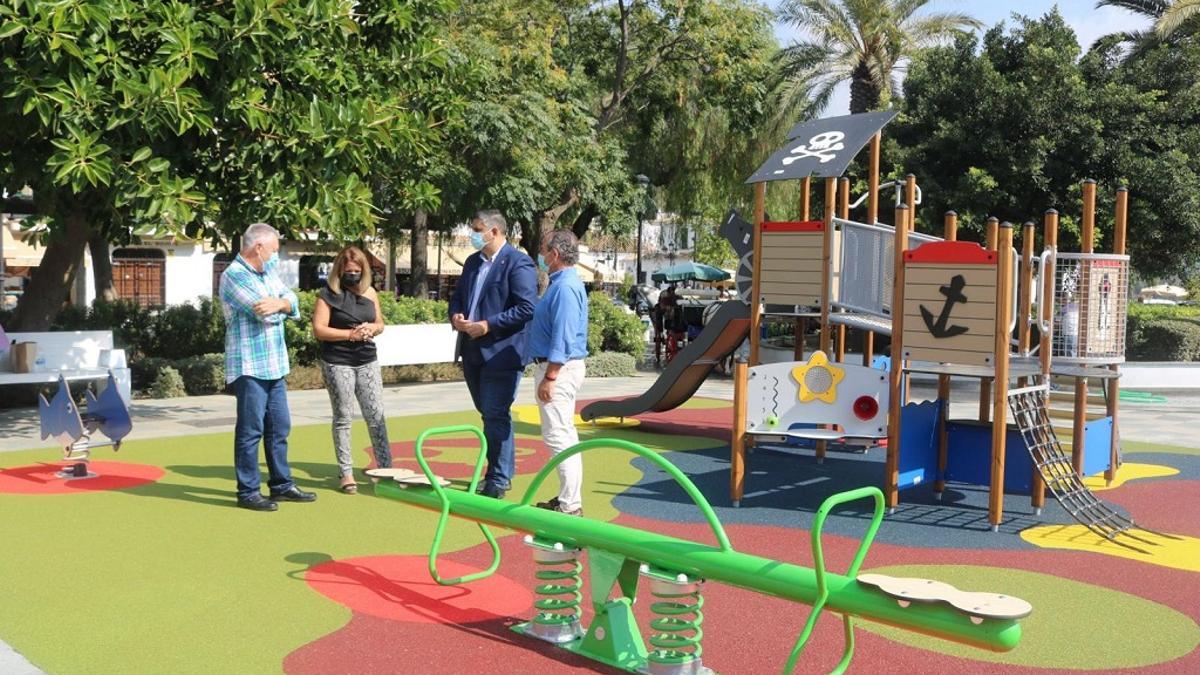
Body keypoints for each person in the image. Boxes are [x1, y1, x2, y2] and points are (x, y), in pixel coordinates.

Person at [219, 223, 316, 511]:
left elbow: (293, 301)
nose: (276, 255)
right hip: (249, 365)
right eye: (273, 250)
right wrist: (283, 305)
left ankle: (281, 484)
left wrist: (283, 304)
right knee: (251, 430)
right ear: (258, 247)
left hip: (275, 364)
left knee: (279, 427)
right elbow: (264, 313)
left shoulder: (267, 272)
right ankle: (248, 491)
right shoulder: (233, 276)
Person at [449, 210, 537, 499]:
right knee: (489, 413)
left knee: (496, 413)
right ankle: (500, 471)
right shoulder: (473, 262)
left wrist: (488, 325)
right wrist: (457, 316)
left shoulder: (518, 262)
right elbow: (458, 295)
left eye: (477, 229)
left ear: (495, 231)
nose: (473, 235)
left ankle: (498, 478)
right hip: (471, 350)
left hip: (502, 353)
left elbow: (526, 308)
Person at [312, 245, 392, 494]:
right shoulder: (327, 295)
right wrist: (350, 334)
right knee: (344, 417)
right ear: (340, 271)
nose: (353, 275)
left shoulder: (370, 293)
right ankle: (346, 472)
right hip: (338, 361)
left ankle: (386, 468)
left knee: (376, 415)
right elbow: (319, 329)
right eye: (349, 271)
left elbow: (380, 323)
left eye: (358, 271)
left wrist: (372, 328)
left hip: (367, 359)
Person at [527, 230, 589, 516]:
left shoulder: (564, 288)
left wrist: (551, 376)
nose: (540, 253)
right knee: (563, 434)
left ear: (555, 254)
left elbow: (563, 336)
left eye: (543, 248)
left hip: (559, 369)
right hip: (559, 367)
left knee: (558, 435)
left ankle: (570, 504)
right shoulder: (562, 284)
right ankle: (568, 498)